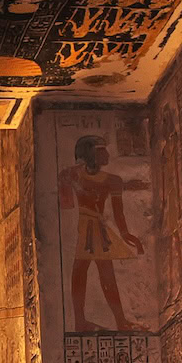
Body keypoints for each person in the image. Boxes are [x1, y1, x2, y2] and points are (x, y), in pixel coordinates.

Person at [59, 134, 148, 331]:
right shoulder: (72, 175)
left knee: (100, 274)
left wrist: (127, 236)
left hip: (98, 231)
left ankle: (118, 322)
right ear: (89, 154)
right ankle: (83, 321)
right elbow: (66, 203)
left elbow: (118, 213)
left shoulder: (113, 181)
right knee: (82, 272)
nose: (107, 154)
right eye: (101, 150)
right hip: (85, 228)